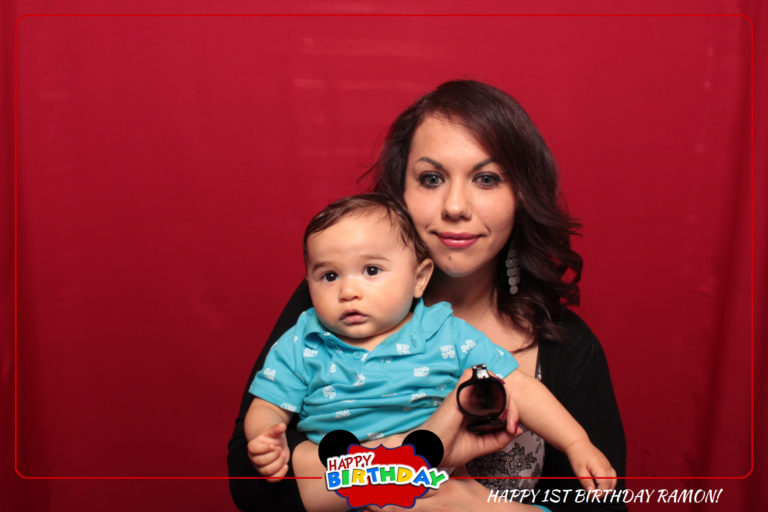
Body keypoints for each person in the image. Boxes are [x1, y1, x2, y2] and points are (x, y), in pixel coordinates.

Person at [228, 80, 626, 511]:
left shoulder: (568, 347)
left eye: (487, 178)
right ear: (401, 192)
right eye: (431, 178)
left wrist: (465, 503)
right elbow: (256, 485)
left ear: (520, 196)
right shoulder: (335, 305)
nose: (455, 205)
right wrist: (424, 456)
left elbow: (601, 504)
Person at [244, 194, 615, 511]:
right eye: (329, 276)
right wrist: (265, 438)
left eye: (371, 270)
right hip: (346, 491)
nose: (348, 291)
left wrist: (575, 441)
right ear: (309, 283)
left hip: (439, 494)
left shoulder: (444, 332)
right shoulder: (302, 340)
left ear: (419, 278)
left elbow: (518, 385)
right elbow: (266, 406)